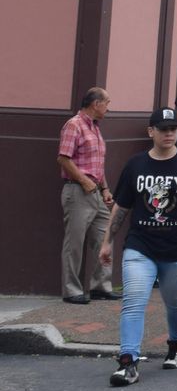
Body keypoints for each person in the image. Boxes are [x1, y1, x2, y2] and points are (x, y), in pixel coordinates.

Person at [98, 106, 177, 387]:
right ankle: (128, 362)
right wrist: (107, 241)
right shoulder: (136, 165)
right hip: (140, 246)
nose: (170, 134)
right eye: (163, 129)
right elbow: (122, 206)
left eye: (173, 129)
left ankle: (176, 345)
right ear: (151, 132)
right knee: (134, 301)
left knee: (174, 304)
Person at [58, 87, 116, 304]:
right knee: (74, 242)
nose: (109, 108)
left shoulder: (95, 128)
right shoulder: (74, 125)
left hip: (95, 192)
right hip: (77, 190)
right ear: (96, 103)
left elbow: (97, 165)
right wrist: (84, 181)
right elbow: (64, 158)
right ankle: (71, 290)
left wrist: (104, 188)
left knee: (105, 237)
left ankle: (101, 286)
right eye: (107, 103)